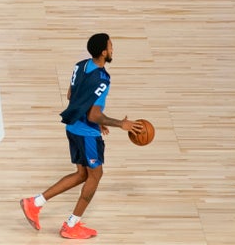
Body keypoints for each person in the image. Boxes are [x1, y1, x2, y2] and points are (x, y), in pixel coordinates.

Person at [20, 33, 144, 239]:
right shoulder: (103, 78)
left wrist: (99, 121)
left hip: (73, 127)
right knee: (95, 176)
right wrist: (121, 124)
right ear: (104, 52)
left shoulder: (80, 65)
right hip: (86, 133)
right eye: (111, 46)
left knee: (82, 175)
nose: (113, 49)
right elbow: (94, 113)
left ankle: (34, 203)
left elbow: (71, 95)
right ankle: (71, 225)